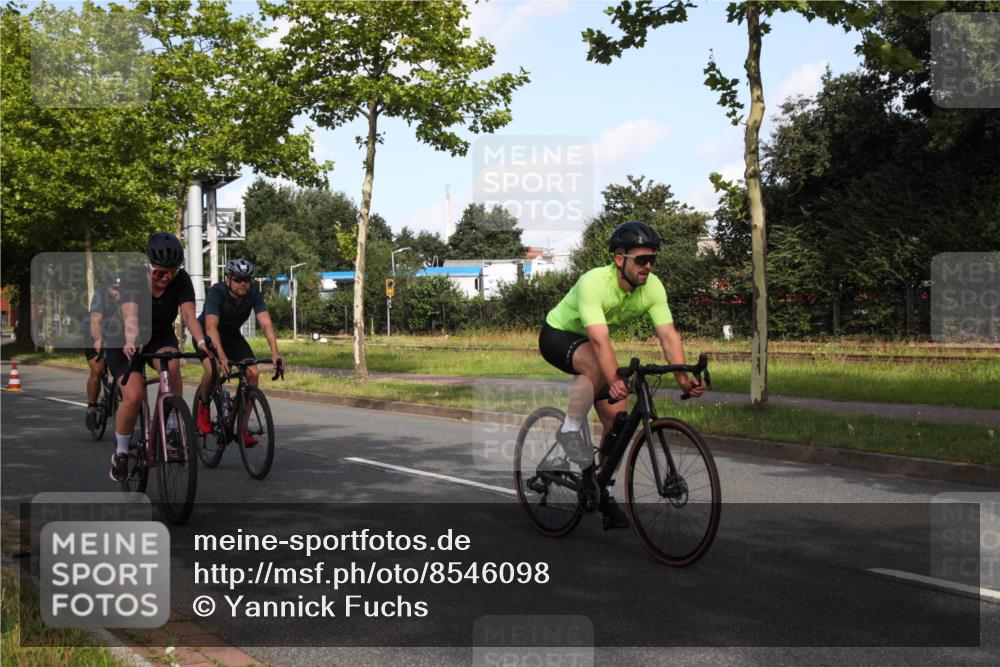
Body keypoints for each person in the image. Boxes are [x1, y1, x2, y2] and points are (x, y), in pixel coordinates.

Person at [538, 221, 706, 529]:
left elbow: (668, 335)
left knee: (617, 425)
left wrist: (683, 377)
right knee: (596, 363)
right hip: (558, 335)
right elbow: (600, 341)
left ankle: (602, 492)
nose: (648, 266)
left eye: (652, 259)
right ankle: (569, 430)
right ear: (619, 259)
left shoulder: (652, 286)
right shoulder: (594, 282)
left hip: (591, 343)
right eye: (641, 259)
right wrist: (614, 379)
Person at [107, 232, 213, 482]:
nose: (165, 277)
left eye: (171, 272)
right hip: (125, 335)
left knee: (172, 364)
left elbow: (188, 316)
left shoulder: (182, 280)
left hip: (159, 334)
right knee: (133, 395)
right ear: (149, 266)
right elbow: (131, 315)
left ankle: (173, 427)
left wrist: (200, 343)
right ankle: (121, 452)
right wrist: (132, 340)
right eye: (159, 272)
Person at [195, 258, 282, 445]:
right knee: (213, 370)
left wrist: (275, 353)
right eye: (238, 279)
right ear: (228, 279)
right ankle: (203, 406)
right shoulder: (217, 292)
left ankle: (242, 429)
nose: (243, 284)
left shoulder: (253, 293)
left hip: (232, 336)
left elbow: (266, 323)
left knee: (253, 372)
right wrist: (222, 357)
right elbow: (211, 327)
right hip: (207, 335)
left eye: (247, 280)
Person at [84, 272, 123, 430]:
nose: (119, 293)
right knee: (98, 369)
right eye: (115, 289)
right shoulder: (100, 295)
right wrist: (98, 340)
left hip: (118, 336)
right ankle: (92, 407)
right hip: (95, 333)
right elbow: (95, 320)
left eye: (122, 289)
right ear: (107, 288)